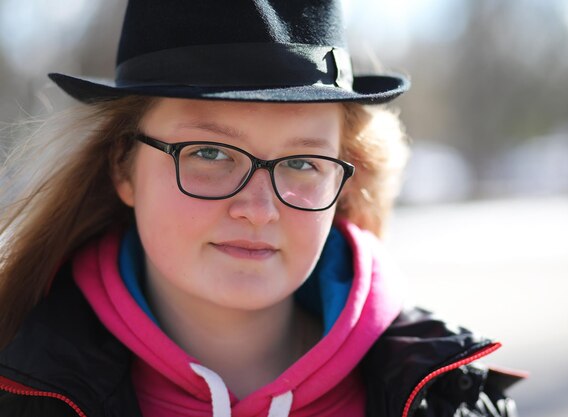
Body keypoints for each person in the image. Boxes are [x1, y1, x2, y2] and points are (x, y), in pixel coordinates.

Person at [0, 1, 522, 416]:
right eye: (209, 153)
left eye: (303, 163)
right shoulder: (20, 392)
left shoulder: (451, 399)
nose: (258, 209)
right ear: (122, 166)